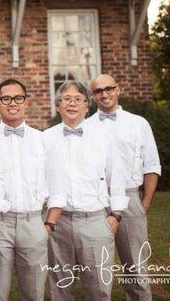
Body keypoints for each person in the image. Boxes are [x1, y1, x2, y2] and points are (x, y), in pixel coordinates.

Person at [43, 80, 128, 301]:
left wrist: (116, 215)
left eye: (78, 99)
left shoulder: (103, 137)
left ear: (87, 106)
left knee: (98, 288)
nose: (72, 104)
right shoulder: (45, 139)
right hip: (58, 223)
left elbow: (117, 177)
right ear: (58, 105)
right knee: (60, 287)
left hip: (96, 222)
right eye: (67, 99)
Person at [89, 74, 161, 301]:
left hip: (131, 199)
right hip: (97, 201)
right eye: (99, 91)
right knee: (98, 268)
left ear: (118, 90)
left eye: (108, 88)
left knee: (136, 267)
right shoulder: (86, 126)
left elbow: (151, 165)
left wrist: (144, 203)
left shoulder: (138, 123)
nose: (104, 94)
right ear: (93, 96)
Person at [0, 78, 48, 301]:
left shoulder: (42, 140)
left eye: (18, 98)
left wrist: (47, 225)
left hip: (33, 222)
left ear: (26, 102)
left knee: (34, 292)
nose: (12, 103)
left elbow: (54, 183)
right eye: (6, 98)